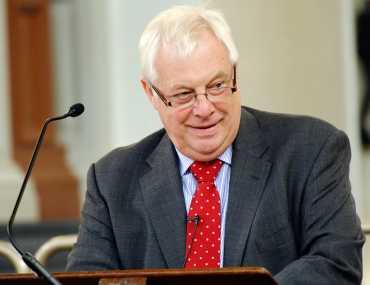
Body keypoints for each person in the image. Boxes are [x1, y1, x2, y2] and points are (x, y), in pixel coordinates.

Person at [67, 5, 364, 284]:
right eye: (184, 94)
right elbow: (88, 278)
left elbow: (336, 263)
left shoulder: (310, 150)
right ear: (151, 93)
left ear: (234, 71)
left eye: (217, 85)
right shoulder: (112, 179)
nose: (205, 108)